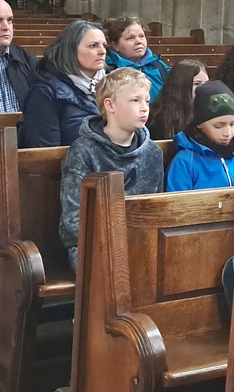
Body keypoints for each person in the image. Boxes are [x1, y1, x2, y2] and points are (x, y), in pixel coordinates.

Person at [57, 68, 164, 269]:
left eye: (147, 101)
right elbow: (73, 220)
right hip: (92, 246)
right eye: (135, 100)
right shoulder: (83, 151)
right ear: (110, 105)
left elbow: (157, 209)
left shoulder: (152, 152)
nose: (144, 108)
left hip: (140, 242)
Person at [21, 20, 109, 148]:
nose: (102, 51)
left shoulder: (113, 84)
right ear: (71, 51)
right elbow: (45, 152)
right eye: (93, 46)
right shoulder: (44, 92)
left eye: (104, 45)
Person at [166, 80, 234, 191]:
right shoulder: (184, 162)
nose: (228, 133)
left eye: (232, 124)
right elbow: (177, 199)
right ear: (199, 125)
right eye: (218, 126)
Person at [103, 15, 170, 102]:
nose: (139, 41)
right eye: (130, 38)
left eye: (141, 36)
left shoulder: (159, 66)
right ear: (115, 45)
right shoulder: (107, 70)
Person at [147, 59, 208, 143]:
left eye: (206, 83)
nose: (204, 88)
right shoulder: (157, 117)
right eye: (197, 84)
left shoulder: (209, 111)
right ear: (181, 85)